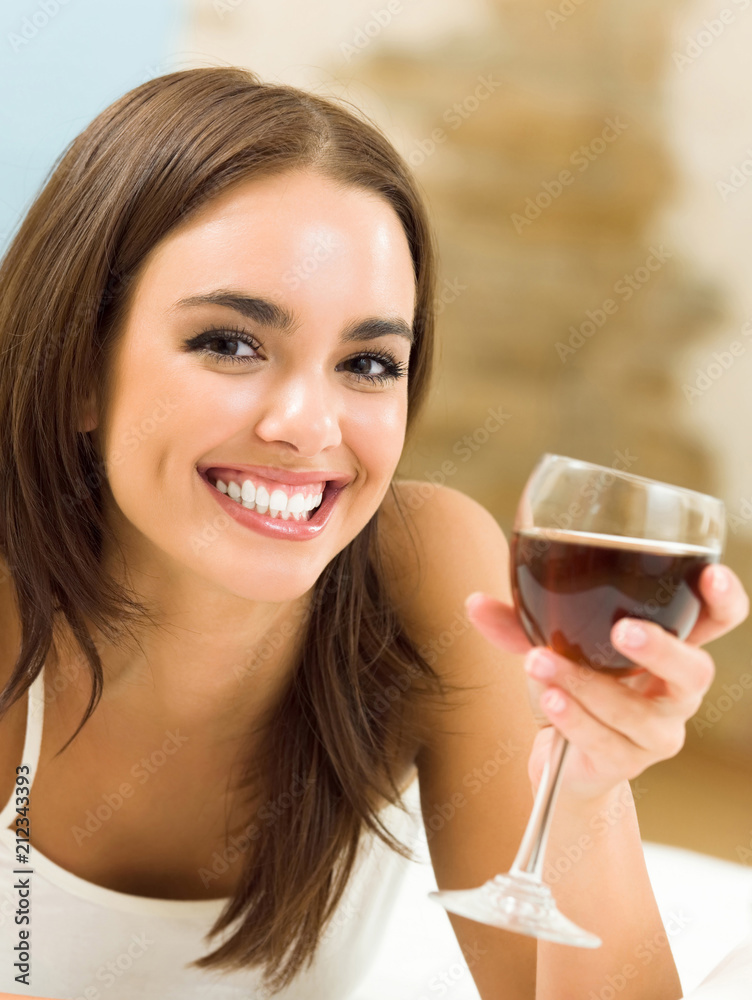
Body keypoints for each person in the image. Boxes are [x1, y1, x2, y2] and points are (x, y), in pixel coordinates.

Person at [0, 65, 746, 1000]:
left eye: (367, 362)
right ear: (78, 367)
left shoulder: (424, 568)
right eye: (229, 343)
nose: (309, 426)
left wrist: (589, 789)